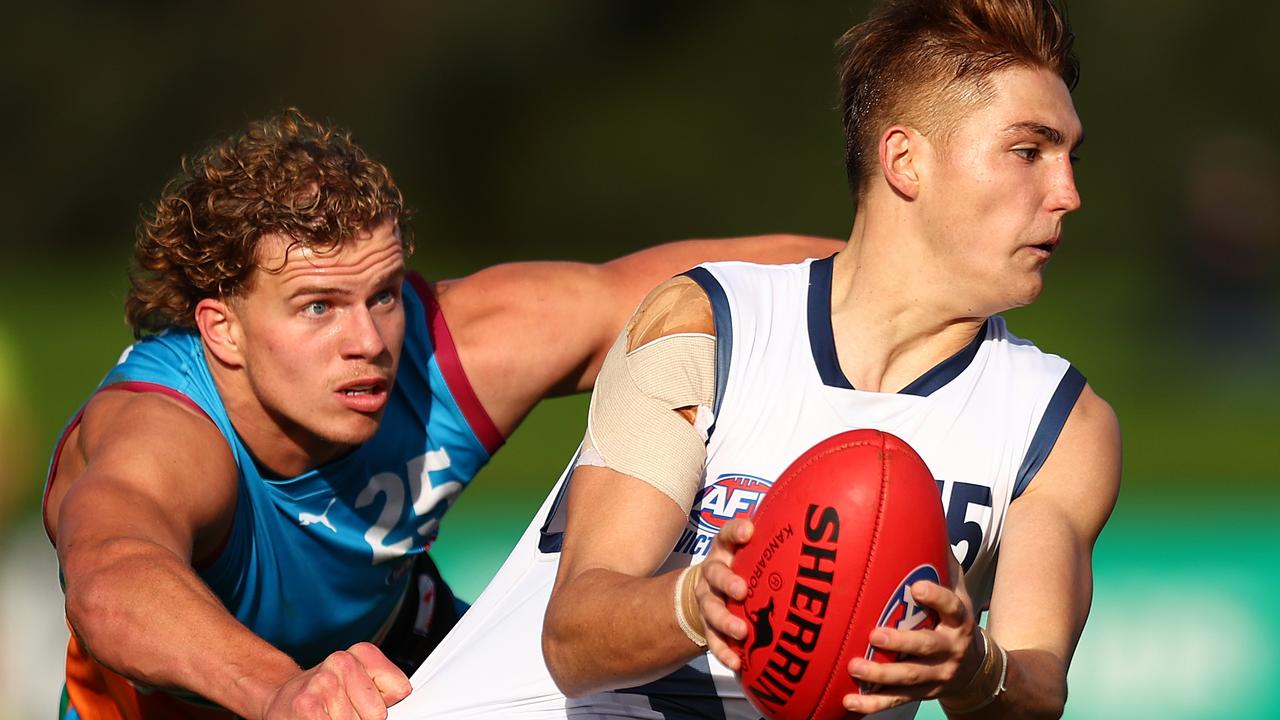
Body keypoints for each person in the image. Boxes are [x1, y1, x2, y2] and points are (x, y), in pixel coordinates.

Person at [392, 0, 1121, 718]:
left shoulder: (1059, 425)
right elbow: (575, 638)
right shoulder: (707, 323)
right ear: (905, 160)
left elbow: (1036, 686)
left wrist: (974, 668)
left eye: (1071, 157)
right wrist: (696, 600)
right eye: (1029, 151)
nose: (1069, 194)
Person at [41, 108, 840, 720]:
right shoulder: (165, 430)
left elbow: (712, 288)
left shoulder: (451, 352)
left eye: (383, 294)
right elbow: (112, 581)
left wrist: (935, 288)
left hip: (412, 666)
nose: (368, 341)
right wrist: (287, 692)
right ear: (223, 329)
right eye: (318, 307)